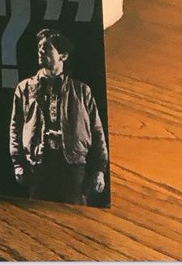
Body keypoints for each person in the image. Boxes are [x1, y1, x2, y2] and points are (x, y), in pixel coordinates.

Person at [9, 28, 109, 204]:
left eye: (46, 47)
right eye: (39, 47)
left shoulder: (82, 91)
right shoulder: (24, 89)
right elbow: (15, 128)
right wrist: (18, 163)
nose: (40, 51)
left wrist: (100, 170)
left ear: (63, 55)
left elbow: (97, 131)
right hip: (38, 166)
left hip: (73, 168)